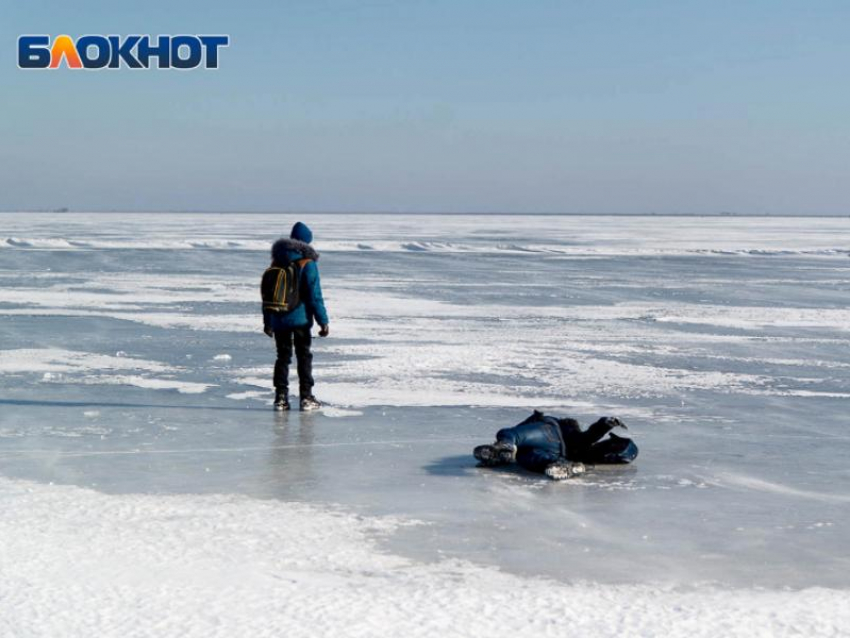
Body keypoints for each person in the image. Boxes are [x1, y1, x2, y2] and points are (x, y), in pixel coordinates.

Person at [263, 221, 330, 411]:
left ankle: (281, 399)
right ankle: (306, 397)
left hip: (278, 318)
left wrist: (268, 322)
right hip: (300, 320)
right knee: (303, 357)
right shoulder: (307, 263)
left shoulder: (277, 261)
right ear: (307, 241)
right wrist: (323, 321)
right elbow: (314, 296)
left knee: (282, 357)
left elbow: (268, 294)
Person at [473, 410, 638, 480]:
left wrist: (606, 423)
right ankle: (558, 465)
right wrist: (606, 424)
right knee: (531, 457)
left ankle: (504, 447)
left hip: (549, 434)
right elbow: (590, 436)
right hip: (554, 453)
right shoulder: (585, 450)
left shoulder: (567, 432)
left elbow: (589, 436)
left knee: (511, 435)